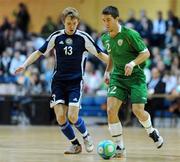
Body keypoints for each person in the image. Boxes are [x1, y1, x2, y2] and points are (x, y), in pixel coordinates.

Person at [15, 7, 108, 154]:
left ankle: (86, 136)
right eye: (69, 23)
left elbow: (101, 55)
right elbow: (38, 52)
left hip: (75, 82)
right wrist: (24, 64)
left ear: (78, 22)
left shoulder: (83, 38)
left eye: (74, 23)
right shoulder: (56, 36)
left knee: (72, 116)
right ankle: (75, 144)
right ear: (63, 22)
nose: (72, 26)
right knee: (60, 117)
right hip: (58, 82)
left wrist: (116, 66)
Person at [101, 6, 163, 158]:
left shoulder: (130, 34)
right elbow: (111, 56)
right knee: (110, 110)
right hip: (118, 78)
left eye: (108, 20)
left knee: (137, 111)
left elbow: (146, 53)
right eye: (103, 21)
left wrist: (132, 63)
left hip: (136, 77)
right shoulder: (105, 38)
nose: (106, 23)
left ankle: (151, 131)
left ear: (117, 19)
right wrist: (107, 71)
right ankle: (119, 146)